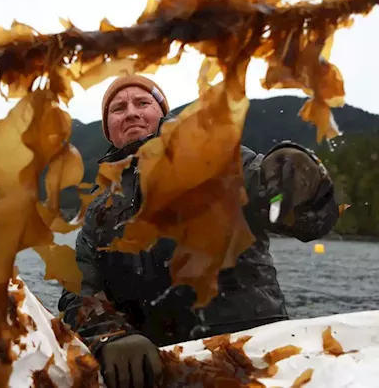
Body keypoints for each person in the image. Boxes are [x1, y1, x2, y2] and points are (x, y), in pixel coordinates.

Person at [58, 74, 340, 388]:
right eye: (118, 108)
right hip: (161, 371)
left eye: (142, 103)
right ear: (109, 130)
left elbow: (290, 209)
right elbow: (80, 291)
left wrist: (300, 184)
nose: (132, 112)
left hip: (258, 360)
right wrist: (110, 335)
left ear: (161, 113)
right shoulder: (100, 209)